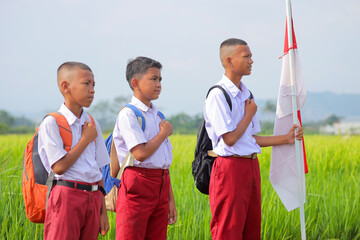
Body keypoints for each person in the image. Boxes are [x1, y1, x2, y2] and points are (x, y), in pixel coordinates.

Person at [204, 38, 303, 240]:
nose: (251, 61)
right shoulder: (218, 95)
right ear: (229, 61)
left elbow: (251, 139)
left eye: (251, 56)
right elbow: (230, 139)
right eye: (246, 56)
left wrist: (285, 138)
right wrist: (248, 114)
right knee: (228, 229)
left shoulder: (246, 93)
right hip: (229, 168)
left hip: (250, 166)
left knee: (251, 229)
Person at [38, 62, 110, 239]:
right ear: (65, 86)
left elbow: (98, 169)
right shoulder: (52, 122)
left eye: (94, 85)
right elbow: (59, 167)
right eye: (86, 83)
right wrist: (85, 139)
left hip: (93, 197)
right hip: (66, 196)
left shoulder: (92, 123)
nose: (92, 89)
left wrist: (103, 211)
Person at [111, 56, 177, 240]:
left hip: (161, 183)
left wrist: (170, 199)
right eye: (154, 79)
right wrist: (163, 134)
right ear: (135, 83)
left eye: (160, 79)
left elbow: (163, 163)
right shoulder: (129, 114)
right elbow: (140, 153)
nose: (159, 84)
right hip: (138, 182)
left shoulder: (158, 115)